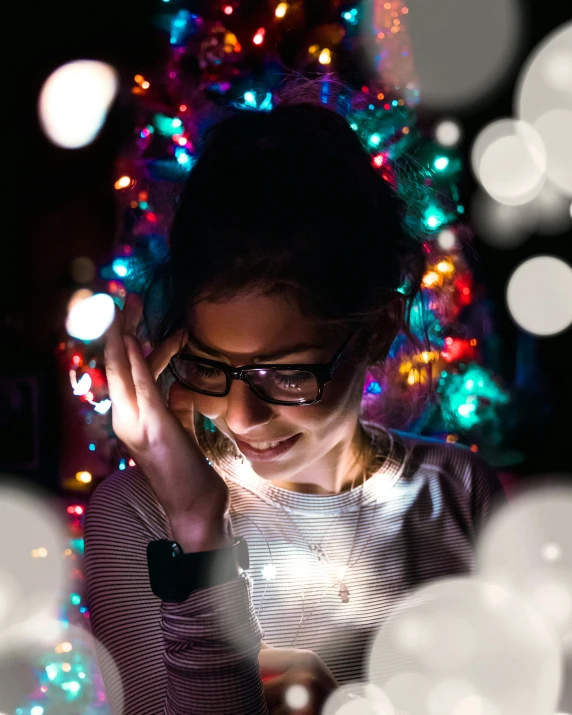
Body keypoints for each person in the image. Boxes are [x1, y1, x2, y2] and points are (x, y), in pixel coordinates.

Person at [84, 83, 506, 715]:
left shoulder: (458, 492)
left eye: (285, 374)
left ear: (377, 330)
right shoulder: (139, 514)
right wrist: (199, 529)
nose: (241, 417)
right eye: (211, 366)